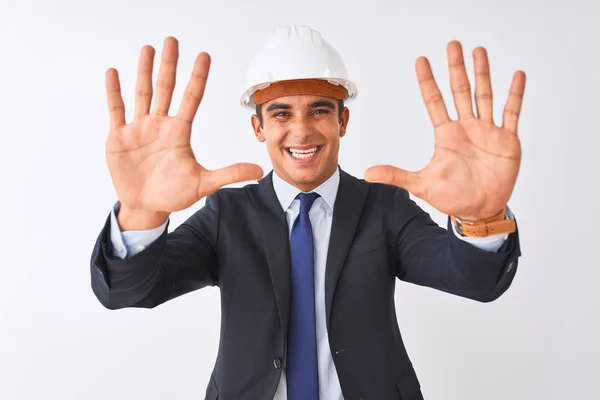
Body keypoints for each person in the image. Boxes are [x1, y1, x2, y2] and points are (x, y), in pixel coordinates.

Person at [91, 25, 525, 400]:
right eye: (281, 113)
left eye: (320, 110)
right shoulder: (229, 215)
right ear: (258, 127)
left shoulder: (384, 208)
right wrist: (141, 212)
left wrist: (481, 218)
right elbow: (129, 291)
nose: (301, 130)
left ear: (343, 122)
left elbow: (476, 281)